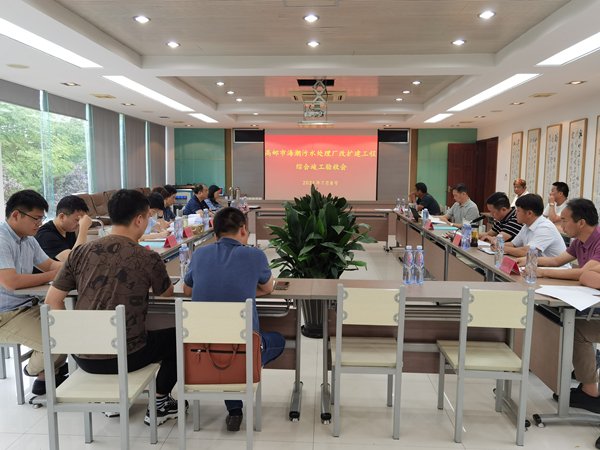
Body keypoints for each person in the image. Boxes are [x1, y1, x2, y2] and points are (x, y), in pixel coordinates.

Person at [45, 189, 184, 426]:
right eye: (147, 217)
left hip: (82, 356)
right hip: (129, 356)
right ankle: (160, 402)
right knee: (178, 338)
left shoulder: (80, 252)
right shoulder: (147, 257)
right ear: (139, 219)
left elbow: (52, 301)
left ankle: (110, 401)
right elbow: (166, 293)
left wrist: (73, 340)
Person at [183, 207, 285, 432]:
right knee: (277, 340)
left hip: (202, 352)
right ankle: (244, 374)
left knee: (224, 343)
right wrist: (246, 289)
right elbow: (268, 288)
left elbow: (187, 290)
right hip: (242, 352)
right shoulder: (255, 255)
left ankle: (235, 409)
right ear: (243, 230)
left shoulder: (199, 254)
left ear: (215, 234)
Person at [518, 199, 600, 414]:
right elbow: (556, 261)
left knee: (577, 329)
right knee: (557, 317)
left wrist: (542, 272)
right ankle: (581, 380)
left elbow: (584, 274)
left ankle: (590, 392)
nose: (561, 225)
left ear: (581, 223)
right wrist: (529, 261)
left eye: (564, 220)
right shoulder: (579, 241)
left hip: (594, 307)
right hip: (591, 302)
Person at [0, 190, 67, 396]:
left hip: (29, 305)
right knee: (56, 342)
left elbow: (50, 265)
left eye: (42, 219)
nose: (39, 224)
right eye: (36, 219)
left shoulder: (28, 238)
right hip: (6, 314)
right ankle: (34, 371)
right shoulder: (2, 239)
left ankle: (46, 376)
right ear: (16, 215)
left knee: (70, 329)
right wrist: (54, 275)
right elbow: (10, 282)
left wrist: (72, 267)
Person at [497, 194, 567, 259]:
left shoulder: (545, 228)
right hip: (536, 265)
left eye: (518, 210)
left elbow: (527, 252)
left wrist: (502, 248)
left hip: (554, 267)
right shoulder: (526, 226)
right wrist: (497, 245)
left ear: (529, 213)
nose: (515, 213)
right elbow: (513, 244)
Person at [34, 195, 93, 266]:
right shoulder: (45, 235)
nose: (79, 224)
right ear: (62, 217)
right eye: (77, 220)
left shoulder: (68, 229)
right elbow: (74, 260)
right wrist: (84, 228)